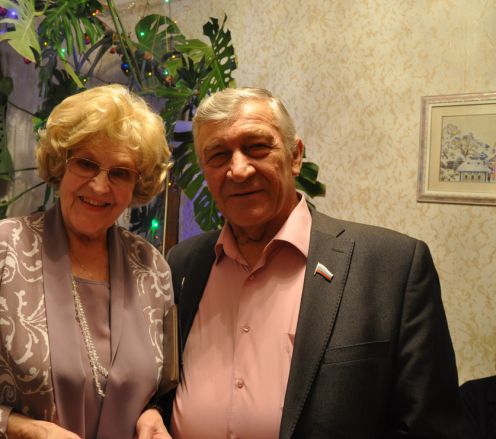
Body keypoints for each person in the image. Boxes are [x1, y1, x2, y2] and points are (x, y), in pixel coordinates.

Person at [163, 87, 463, 438]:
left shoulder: (392, 267)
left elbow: (429, 428)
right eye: (218, 155)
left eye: (257, 146)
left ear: (295, 156)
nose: (239, 170)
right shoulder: (183, 264)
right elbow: (160, 381)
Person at [0, 84, 174, 439]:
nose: (100, 186)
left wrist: (153, 413)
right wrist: (22, 429)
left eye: (120, 172)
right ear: (60, 164)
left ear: (136, 184)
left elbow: (159, 388)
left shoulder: (153, 269)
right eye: (86, 163)